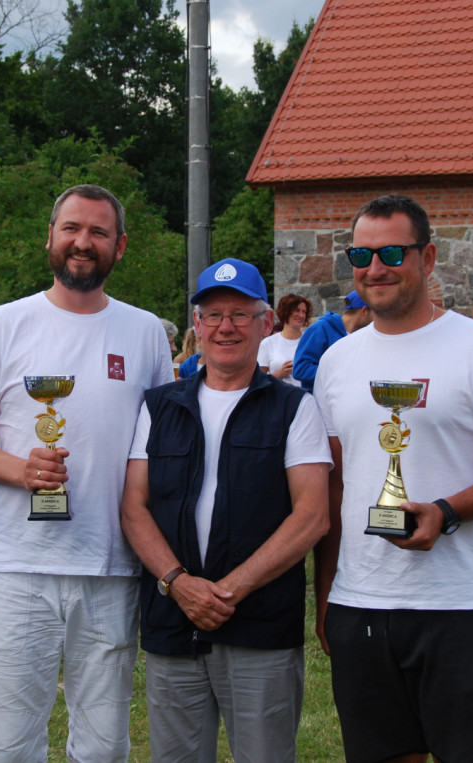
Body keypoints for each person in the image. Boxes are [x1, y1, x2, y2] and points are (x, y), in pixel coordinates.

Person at [312, 194, 473, 762]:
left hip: (456, 603)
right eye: (362, 254)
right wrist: (326, 594)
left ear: (429, 257)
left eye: (392, 252)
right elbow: (336, 486)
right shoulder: (338, 361)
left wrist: (446, 511)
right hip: (360, 601)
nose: (375, 268)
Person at [0, 184, 174, 761]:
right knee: (13, 742)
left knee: (103, 746)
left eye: (98, 232)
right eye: (71, 228)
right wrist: (23, 471)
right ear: (49, 237)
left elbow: (163, 444)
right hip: (19, 568)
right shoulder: (2, 324)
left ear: (120, 247)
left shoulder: (146, 331)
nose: (82, 242)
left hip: (112, 566)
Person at [120, 258, 331, 762]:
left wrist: (229, 591)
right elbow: (134, 505)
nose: (226, 327)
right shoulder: (159, 405)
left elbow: (313, 516)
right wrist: (179, 582)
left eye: (240, 314)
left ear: (265, 325)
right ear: (197, 325)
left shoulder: (294, 407)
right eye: (213, 315)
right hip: (174, 620)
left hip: (259, 625)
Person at [292, 290, 372, 392]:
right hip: (320, 405)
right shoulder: (320, 328)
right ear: (364, 311)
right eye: (375, 312)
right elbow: (300, 369)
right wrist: (340, 373)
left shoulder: (361, 336)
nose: (376, 319)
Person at [258, 292, 311, 386]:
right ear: (286, 312)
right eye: (297, 310)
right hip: (278, 398)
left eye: (304, 312)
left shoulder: (310, 341)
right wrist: (281, 373)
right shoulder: (268, 343)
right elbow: (259, 381)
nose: (301, 315)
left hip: (305, 397)